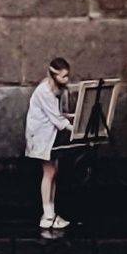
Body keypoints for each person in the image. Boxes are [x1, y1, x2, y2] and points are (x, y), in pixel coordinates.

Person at [27, 57, 75, 236]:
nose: (67, 80)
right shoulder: (45, 92)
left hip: (48, 135)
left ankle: (50, 213)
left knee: (53, 172)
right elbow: (57, 119)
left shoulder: (52, 90)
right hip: (41, 136)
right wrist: (75, 129)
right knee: (48, 173)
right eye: (63, 77)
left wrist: (70, 118)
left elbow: (56, 115)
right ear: (54, 76)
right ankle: (47, 216)